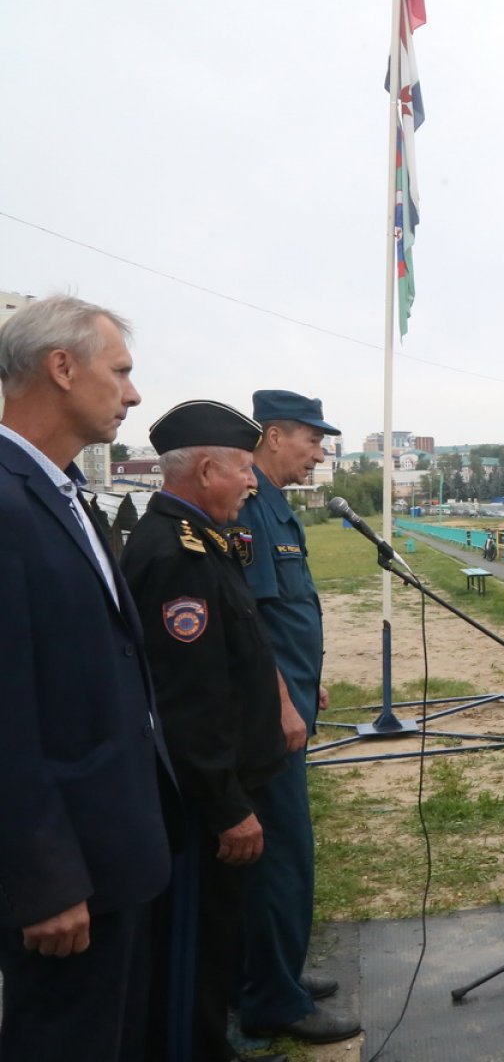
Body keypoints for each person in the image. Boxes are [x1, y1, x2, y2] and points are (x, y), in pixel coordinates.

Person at [0, 296, 175, 1062]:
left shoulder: (62, 493)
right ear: (63, 368)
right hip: (64, 878)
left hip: (112, 854)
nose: (133, 394)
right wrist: (42, 877)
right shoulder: (7, 504)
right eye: (121, 371)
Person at [122, 401, 289, 1062]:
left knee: (216, 942)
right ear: (208, 470)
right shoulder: (178, 555)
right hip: (200, 809)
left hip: (218, 790)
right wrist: (226, 807)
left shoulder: (201, 539)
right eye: (244, 468)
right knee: (193, 947)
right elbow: (187, 700)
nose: (252, 482)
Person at [231, 390, 362, 1044]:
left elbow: (287, 615)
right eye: (312, 441)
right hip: (269, 718)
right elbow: (251, 622)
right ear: (275, 435)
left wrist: (307, 684)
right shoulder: (250, 505)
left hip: (290, 698)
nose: (319, 455)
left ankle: (277, 973)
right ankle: (272, 999)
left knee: (285, 853)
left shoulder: (274, 504)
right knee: (283, 855)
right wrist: (284, 699)